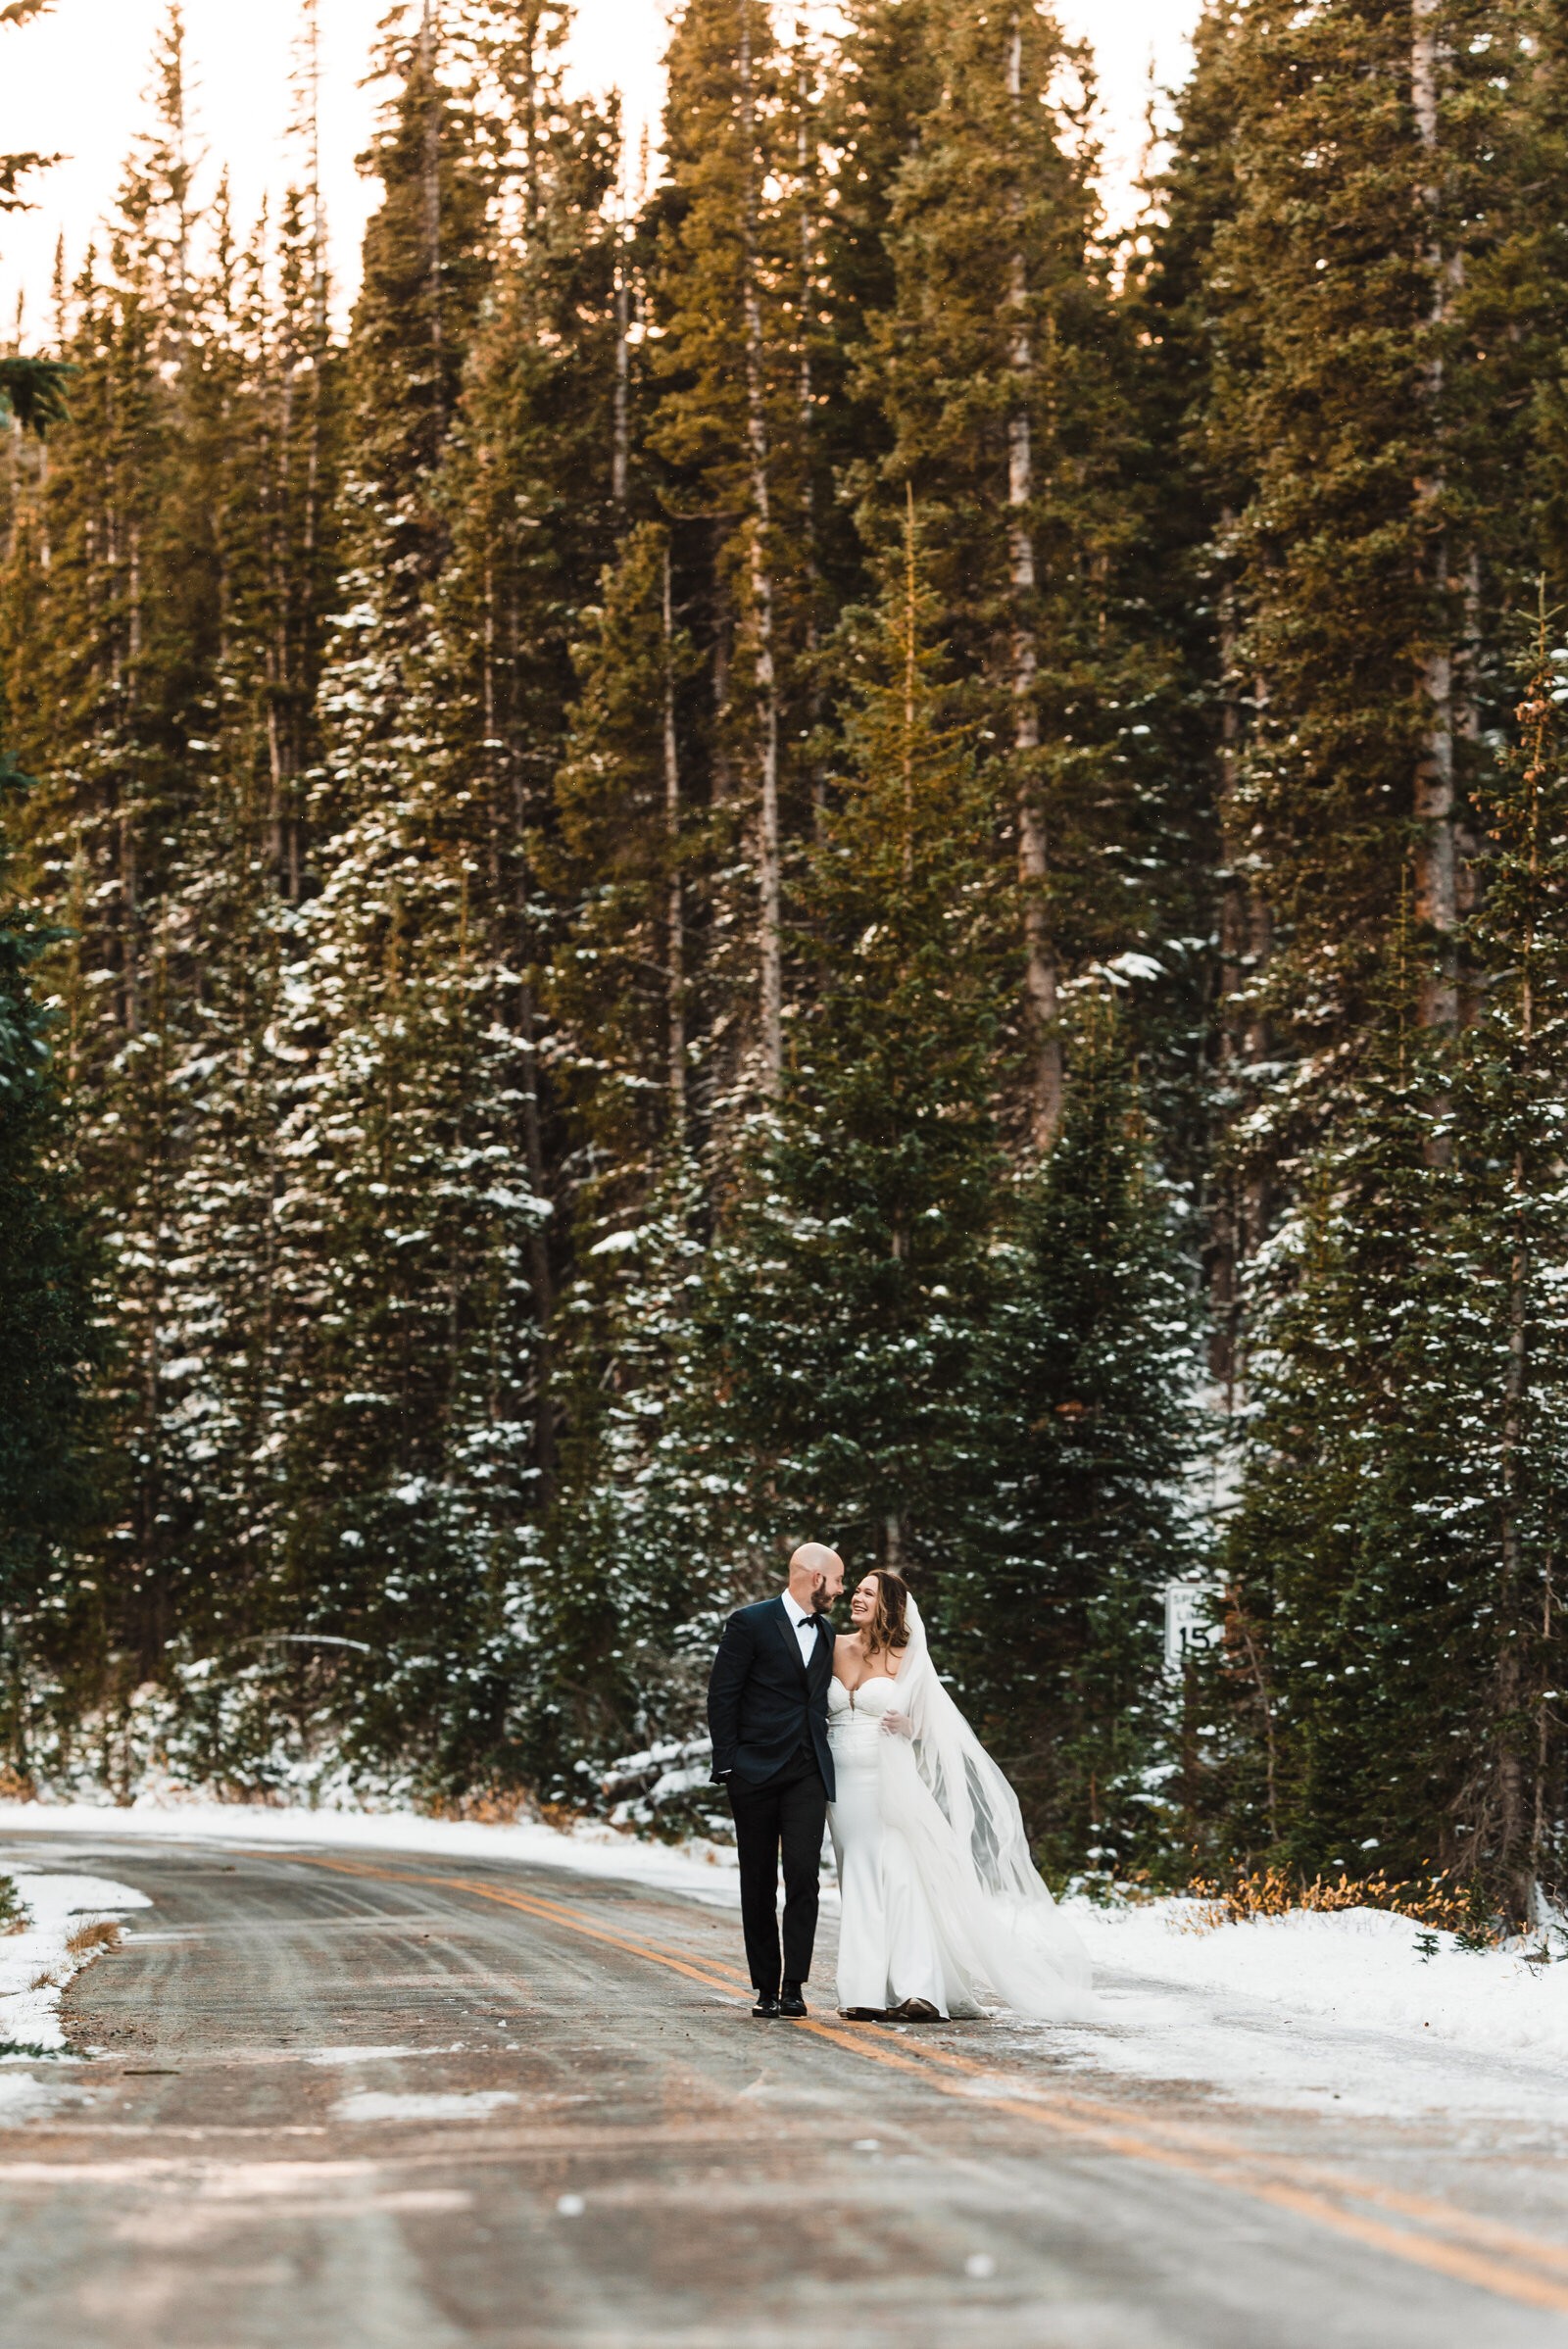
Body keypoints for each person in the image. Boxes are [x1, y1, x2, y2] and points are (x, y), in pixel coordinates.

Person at [827, 1568, 1097, 2023]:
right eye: (855, 1591)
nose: (856, 1598)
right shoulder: (832, 1646)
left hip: (887, 1781)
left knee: (901, 1876)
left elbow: (933, 1726)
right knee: (858, 1878)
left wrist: (906, 1726)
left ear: (888, 1604)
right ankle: (863, 1990)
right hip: (840, 1784)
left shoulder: (906, 1656)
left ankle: (920, 1989)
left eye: (867, 1593)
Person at [707, 1542, 845, 2018]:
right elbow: (722, 1694)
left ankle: (794, 1986)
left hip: (807, 1771)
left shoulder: (827, 1633)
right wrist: (728, 1763)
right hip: (755, 1771)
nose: (841, 1591)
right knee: (759, 1881)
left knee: (804, 1876)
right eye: (838, 1580)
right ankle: (765, 1986)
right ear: (814, 1577)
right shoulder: (750, 1622)